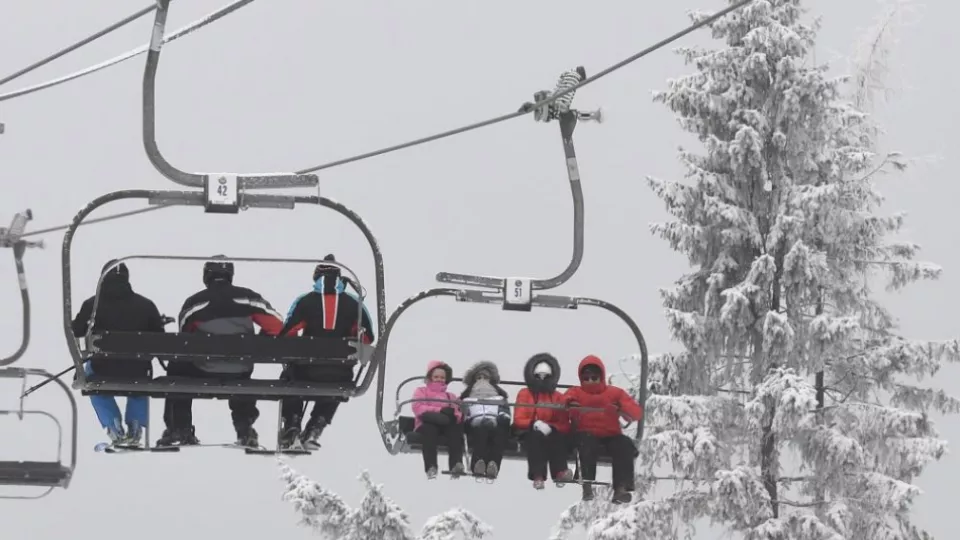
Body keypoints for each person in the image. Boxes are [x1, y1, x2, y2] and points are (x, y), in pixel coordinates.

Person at [156, 256, 283, 448]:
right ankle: (245, 429)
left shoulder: (194, 303)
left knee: (177, 368)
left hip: (203, 368)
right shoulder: (249, 298)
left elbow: (185, 340)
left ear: (207, 276)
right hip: (240, 368)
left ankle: (179, 428)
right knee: (241, 374)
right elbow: (277, 326)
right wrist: (258, 341)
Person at [277, 254, 376, 450]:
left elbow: (287, 333)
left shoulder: (305, 301)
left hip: (305, 371)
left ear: (316, 277)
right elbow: (367, 338)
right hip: (340, 372)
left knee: (289, 378)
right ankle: (316, 426)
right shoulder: (355, 304)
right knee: (336, 384)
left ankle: (292, 425)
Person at [71, 261, 167, 446]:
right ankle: (136, 425)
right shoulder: (146, 305)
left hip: (102, 367)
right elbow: (160, 340)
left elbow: (77, 331)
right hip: (138, 369)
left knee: (90, 379)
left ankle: (113, 425)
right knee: (140, 380)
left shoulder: (92, 304)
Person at [563, 354, 643, 504]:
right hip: (585, 433)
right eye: (586, 378)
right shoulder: (576, 392)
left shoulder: (614, 393)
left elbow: (636, 413)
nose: (590, 381)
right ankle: (587, 483)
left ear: (601, 376)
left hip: (610, 434)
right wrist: (571, 404)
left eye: (594, 377)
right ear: (581, 379)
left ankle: (621, 487)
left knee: (624, 444)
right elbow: (563, 401)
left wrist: (621, 407)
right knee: (585, 443)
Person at [513, 353, 574, 489]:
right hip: (528, 430)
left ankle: (560, 472)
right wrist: (534, 423)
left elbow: (564, 423)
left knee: (558, 437)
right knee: (535, 438)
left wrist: (552, 427)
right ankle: (538, 475)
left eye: (545, 376)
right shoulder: (525, 393)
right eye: (538, 376)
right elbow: (518, 418)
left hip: (551, 431)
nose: (542, 379)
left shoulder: (557, 397)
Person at [411, 360, 466, 479]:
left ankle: (456, 464)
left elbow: (457, 410)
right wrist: (439, 410)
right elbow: (417, 406)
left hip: (445, 424)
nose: (439, 379)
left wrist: (455, 413)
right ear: (430, 377)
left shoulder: (450, 396)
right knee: (429, 431)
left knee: (455, 431)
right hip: (428, 422)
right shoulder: (422, 391)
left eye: (442, 377)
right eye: (436, 376)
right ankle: (431, 466)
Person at [459, 360, 511, 479]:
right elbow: (462, 415)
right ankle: (478, 463)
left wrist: (503, 418)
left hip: (495, 422)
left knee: (499, 435)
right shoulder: (467, 399)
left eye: (486, 377)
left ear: (491, 380)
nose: (482, 380)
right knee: (481, 432)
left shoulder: (499, 398)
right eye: (479, 378)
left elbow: (505, 412)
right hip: (476, 424)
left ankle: (493, 464)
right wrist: (466, 419)